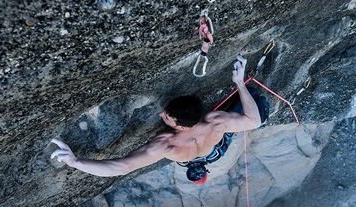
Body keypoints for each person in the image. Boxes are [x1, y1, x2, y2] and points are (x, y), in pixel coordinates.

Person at [50, 55, 261, 181]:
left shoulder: (166, 145)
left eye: (167, 118)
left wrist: (76, 162)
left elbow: (122, 167)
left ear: (183, 127)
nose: (161, 115)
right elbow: (254, 121)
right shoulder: (217, 121)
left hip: (192, 154)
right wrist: (239, 83)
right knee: (250, 107)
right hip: (210, 147)